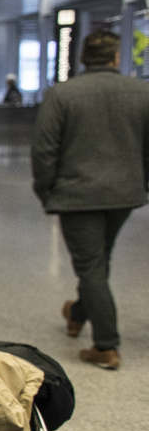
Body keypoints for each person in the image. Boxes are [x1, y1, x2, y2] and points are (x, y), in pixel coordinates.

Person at [33, 30, 149, 371]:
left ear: (83, 58)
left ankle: (106, 346)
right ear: (116, 58)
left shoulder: (62, 94)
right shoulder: (141, 92)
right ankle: (78, 312)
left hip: (77, 194)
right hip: (124, 194)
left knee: (91, 266)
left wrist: (46, 190)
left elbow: (44, 148)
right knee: (99, 261)